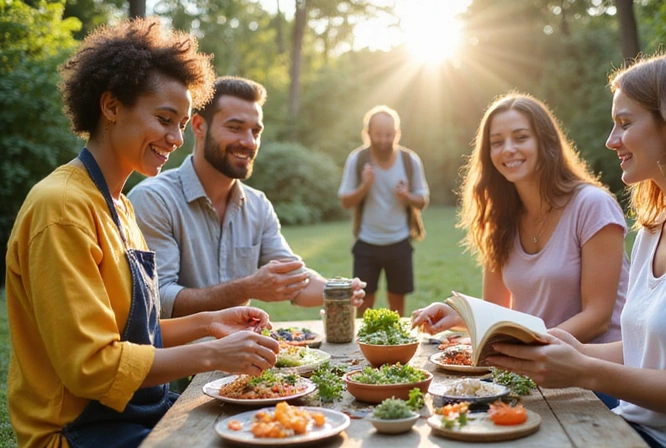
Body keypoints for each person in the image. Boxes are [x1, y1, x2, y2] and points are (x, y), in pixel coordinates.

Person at [5, 18, 282, 448]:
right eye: (164, 119)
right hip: (78, 434)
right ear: (111, 107)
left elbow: (136, 335)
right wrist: (213, 354)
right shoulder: (60, 208)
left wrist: (210, 323)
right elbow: (92, 367)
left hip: (138, 415)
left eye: (182, 123)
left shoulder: (120, 204)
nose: (176, 138)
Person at [484, 50, 666, 448]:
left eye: (625, 123)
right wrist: (577, 351)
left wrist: (584, 370)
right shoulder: (657, 225)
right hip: (630, 429)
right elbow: (646, 350)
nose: (611, 140)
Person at [128, 76, 365, 318]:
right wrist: (248, 288)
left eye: (256, 131)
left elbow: (293, 281)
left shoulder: (258, 205)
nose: (249, 142)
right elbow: (158, 299)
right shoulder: (154, 200)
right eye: (235, 128)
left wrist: (340, 290)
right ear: (199, 126)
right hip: (181, 345)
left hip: (244, 342)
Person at [412, 93, 628, 345]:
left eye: (521, 137)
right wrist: (460, 315)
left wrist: (527, 346)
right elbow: (495, 311)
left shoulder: (592, 205)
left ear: (545, 142)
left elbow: (597, 318)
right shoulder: (499, 218)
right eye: (497, 142)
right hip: (532, 360)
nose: (508, 149)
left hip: (594, 363)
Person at [338, 105, 429, 317]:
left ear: (397, 134)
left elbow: (422, 201)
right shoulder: (357, 160)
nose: (383, 140)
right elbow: (345, 201)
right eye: (378, 135)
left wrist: (406, 196)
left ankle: (393, 338)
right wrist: (365, 186)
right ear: (367, 134)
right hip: (366, 243)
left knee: (396, 308)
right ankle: (362, 339)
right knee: (363, 305)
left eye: (389, 135)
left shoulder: (409, 161)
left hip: (399, 242)